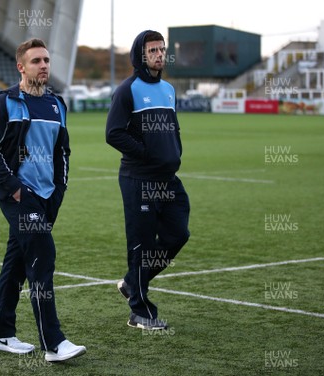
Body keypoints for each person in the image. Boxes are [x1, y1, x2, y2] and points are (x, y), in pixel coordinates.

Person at [0, 38, 86, 362]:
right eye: (36, 60)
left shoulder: (57, 105)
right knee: (43, 252)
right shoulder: (5, 103)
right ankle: (53, 343)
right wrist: (13, 187)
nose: (43, 65)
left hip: (47, 197)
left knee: (16, 265)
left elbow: (62, 151)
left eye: (46, 60)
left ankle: (0, 332)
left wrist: (60, 190)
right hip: (18, 196)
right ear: (21, 66)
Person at [105, 30, 190, 330]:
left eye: (161, 50)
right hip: (138, 178)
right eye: (152, 50)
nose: (158, 55)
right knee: (141, 245)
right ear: (140, 55)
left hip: (168, 179)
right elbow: (113, 133)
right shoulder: (128, 90)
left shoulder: (168, 89)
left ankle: (132, 281)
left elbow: (174, 130)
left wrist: (173, 153)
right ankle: (139, 312)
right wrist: (145, 153)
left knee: (179, 233)